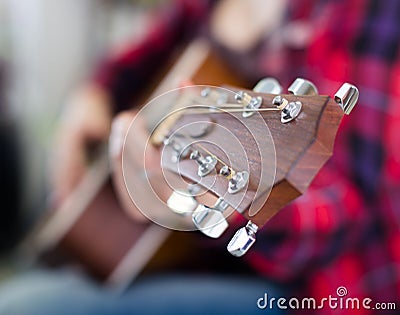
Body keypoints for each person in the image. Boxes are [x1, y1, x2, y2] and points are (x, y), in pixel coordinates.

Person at [1, 0, 400, 314]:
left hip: (313, 289)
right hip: (177, 255)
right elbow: (134, 57)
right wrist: (91, 97)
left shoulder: (360, 10)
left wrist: (220, 200)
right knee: (45, 269)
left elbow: (347, 208)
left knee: (25, 306)